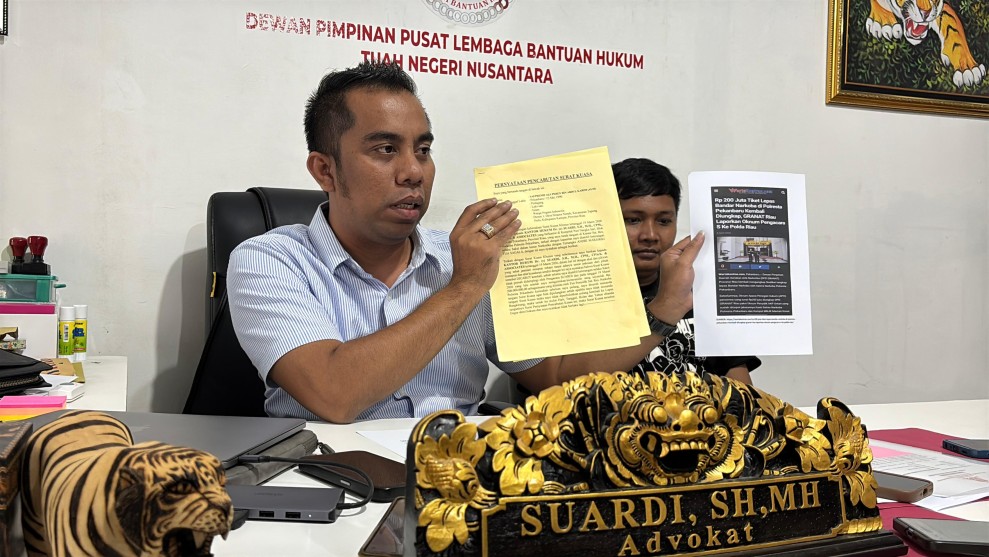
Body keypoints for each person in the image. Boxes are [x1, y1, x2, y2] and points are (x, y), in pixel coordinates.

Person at [227, 62, 703, 423]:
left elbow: (556, 377)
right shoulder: (270, 260)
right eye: (385, 149)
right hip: (329, 481)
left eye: (423, 150)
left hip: (461, 479)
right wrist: (465, 286)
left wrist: (662, 311)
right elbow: (334, 394)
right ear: (325, 170)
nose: (413, 171)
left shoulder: (469, 258)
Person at [612, 158, 760, 384]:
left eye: (663, 221)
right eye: (633, 220)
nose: (650, 235)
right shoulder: (586, 299)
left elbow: (743, 392)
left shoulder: (701, 292)